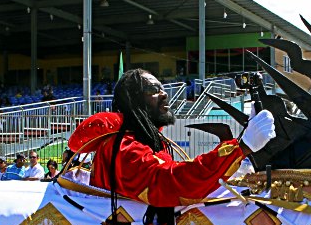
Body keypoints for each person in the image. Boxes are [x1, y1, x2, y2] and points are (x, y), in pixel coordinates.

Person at [76, 69, 274, 206]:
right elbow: (170, 182)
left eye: (162, 88)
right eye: (153, 90)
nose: (164, 94)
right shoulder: (122, 147)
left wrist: (239, 150)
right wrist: (241, 147)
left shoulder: (145, 140)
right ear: (132, 102)